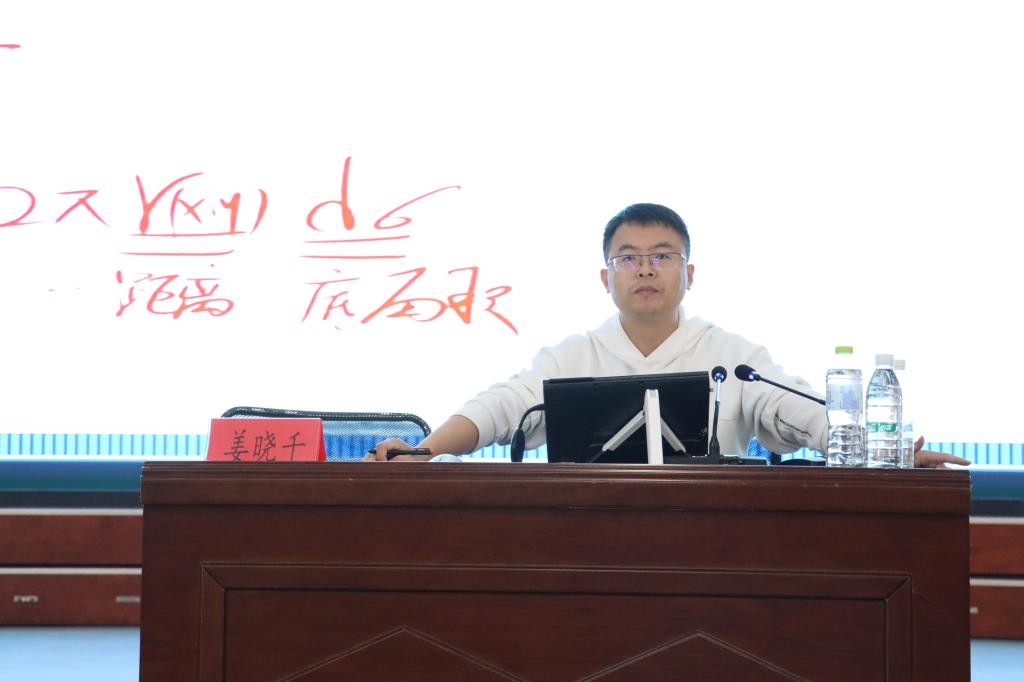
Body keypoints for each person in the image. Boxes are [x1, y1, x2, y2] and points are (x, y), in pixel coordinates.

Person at [366, 203, 968, 468]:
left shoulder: (733, 355)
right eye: (628, 258)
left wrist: (883, 452)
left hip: (714, 545)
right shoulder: (572, 355)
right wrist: (428, 450)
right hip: (585, 544)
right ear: (605, 278)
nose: (646, 269)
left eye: (662, 256)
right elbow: (499, 408)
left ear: (689, 273)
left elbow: (800, 412)